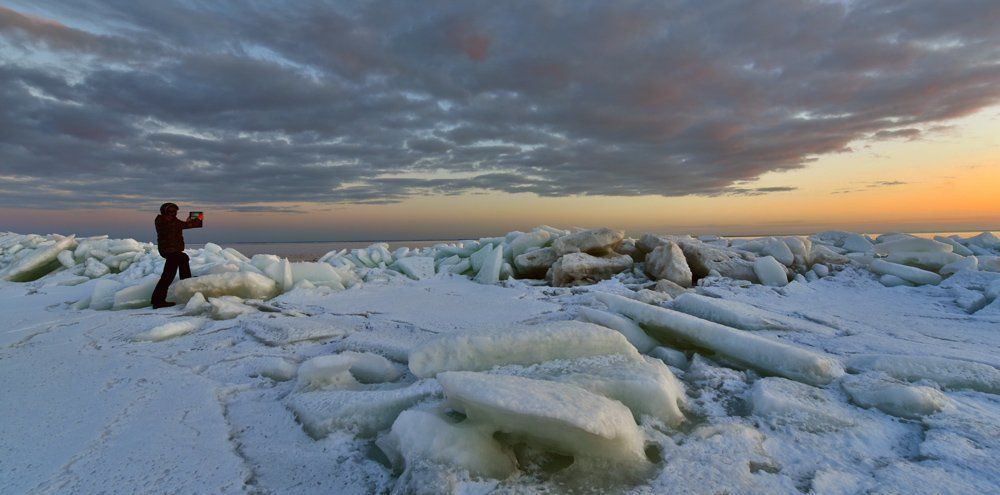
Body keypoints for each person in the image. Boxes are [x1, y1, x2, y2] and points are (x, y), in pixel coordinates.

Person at [150, 202, 199, 308]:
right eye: (171, 211)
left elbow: (182, 225)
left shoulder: (171, 220)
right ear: (165, 211)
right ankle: (158, 301)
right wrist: (193, 221)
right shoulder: (163, 221)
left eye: (175, 211)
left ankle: (186, 279)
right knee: (167, 276)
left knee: (183, 257)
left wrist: (191, 222)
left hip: (173, 251)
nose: (174, 213)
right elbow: (180, 225)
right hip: (169, 251)